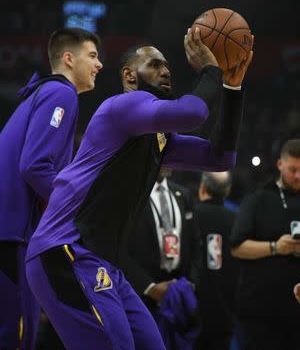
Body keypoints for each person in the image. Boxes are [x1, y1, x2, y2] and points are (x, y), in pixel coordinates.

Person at [25, 27, 252, 350]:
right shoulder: (121, 108)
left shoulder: (157, 139)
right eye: (155, 64)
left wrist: (232, 86)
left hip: (104, 261)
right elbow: (191, 113)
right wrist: (211, 70)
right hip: (66, 250)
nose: (166, 70)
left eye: (167, 65)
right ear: (130, 75)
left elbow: (221, 158)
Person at [0, 27, 102, 350]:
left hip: (9, 228)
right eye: (93, 56)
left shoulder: (42, 93)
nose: (99, 65)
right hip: (13, 232)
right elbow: (34, 166)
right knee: (17, 337)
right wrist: (74, 211)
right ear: (69, 59)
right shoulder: (62, 94)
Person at [230, 138, 300, 350]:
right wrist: (275, 247)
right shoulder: (258, 199)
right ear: (280, 164)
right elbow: (236, 247)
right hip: (261, 312)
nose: (298, 176)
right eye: (292, 169)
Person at [119, 167, 197, 348]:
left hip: (179, 293)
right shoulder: (130, 195)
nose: (170, 160)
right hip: (142, 295)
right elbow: (118, 249)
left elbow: (195, 243)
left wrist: (189, 283)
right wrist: (149, 287)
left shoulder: (183, 194)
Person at [191, 171, 239, 350]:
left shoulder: (188, 215)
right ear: (227, 191)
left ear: (202, 188)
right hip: (225, 311)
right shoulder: (238, 220)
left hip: (191, 310)